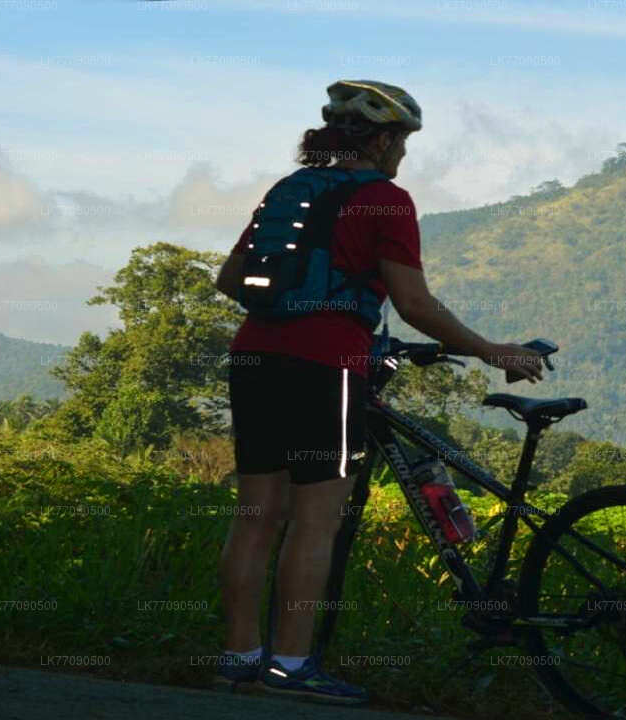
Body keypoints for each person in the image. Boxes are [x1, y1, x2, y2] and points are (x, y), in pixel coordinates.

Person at [211, 79, 545, 704]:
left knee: (256, 515)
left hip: (254, 356)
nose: (405, 155)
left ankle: (238, 658)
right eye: (404, 141)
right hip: (325, 365)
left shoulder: (289, 189)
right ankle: (290, 666)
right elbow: (415, 304)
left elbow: (231, 280)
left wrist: (294, 302)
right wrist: (491, 350)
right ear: (384, 139)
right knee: (315, 523)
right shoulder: (386, 201)